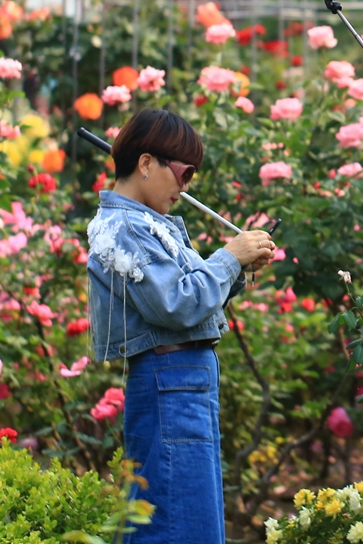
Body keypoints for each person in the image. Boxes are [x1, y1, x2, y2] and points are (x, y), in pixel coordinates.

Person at [85, 108, 275, 544]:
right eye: (184, 172)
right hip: (169, 381)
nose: (186, 186)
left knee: (185, 515)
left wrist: (237, 269)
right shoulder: (125, 226)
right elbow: (176, 305)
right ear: (147, 162)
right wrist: (228, 258)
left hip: (182, 381)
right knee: (175, 520)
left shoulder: (147, 223)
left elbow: (188, 298)